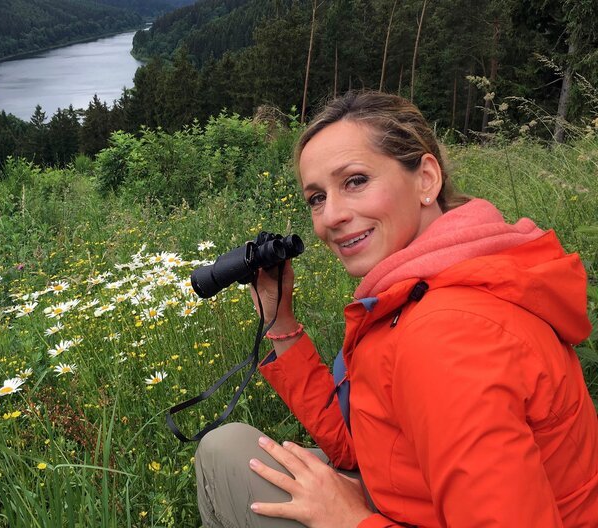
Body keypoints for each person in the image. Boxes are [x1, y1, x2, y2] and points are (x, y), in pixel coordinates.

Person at [194, 91, 598, 527]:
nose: (330, 217)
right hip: (415, 501)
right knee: (227, 448)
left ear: (426, 178)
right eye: (316, 198)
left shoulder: (447, 336)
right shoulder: (438, 280)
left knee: (227, 459)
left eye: (355, 181)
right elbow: (363, 445)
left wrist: (350, 520)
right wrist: (282, 320)